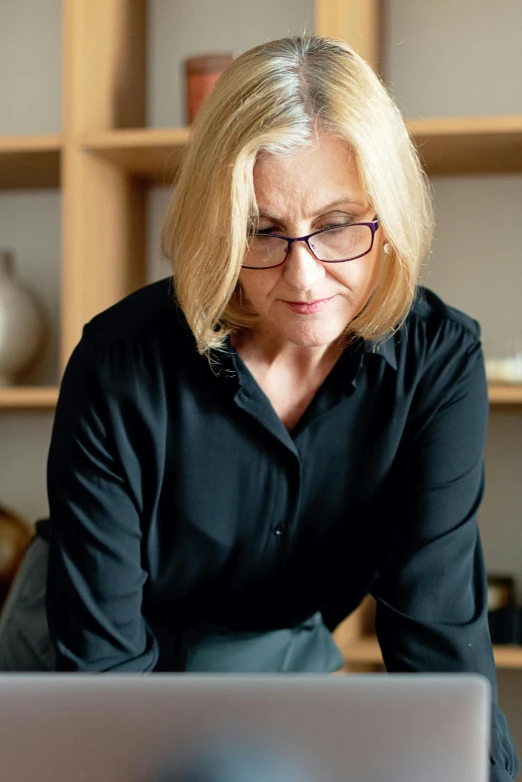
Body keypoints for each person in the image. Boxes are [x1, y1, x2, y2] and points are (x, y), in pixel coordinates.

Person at [0, 34, 517, 781]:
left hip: (265, 651)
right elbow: (103, 676)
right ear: (218, 222)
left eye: (339, 224)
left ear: (390, 213)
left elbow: (438, 645)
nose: (304, 276)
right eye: (261, 230)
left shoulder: (437, 365)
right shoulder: (120, 363)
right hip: (76, 645)